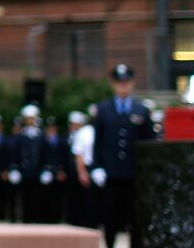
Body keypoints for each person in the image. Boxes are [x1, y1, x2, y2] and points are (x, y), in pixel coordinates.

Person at [92, 64, 154, 248]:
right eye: (119, 83)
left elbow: (148, 143)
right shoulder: (103, 110)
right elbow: (99, 142)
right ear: (114, 85)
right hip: (110, 173)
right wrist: (97, 166)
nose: (123, 87)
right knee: (109, 216)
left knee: (134, 218)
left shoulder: (142, 110)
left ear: (132, 84)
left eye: (126, 83)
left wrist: (146, 171)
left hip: (133, 174)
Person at [13, 104, 43, 223]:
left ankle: (37, 218)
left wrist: (47, 169)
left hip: (38, 171)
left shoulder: (41, 135)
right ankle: (25, 219)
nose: (30, 120)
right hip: (24, 171)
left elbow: (45, 153)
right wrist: (14, 168)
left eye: (32, 118)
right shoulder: (20, 136)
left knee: (37, 197)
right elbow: (16, 153)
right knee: (25, 197)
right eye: (28, 118)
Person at [39, 116, 67, 223]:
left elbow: (64, 157)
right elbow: (40, 157)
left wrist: (62, 170)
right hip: (46, 171)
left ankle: (57, 218)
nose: (51, 129)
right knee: (45, 196)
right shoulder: (43, 140)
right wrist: (42, 170)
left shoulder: (61, 140)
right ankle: (45, 218)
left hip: (58, 171)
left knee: (58, 197)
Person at [65, 111, 88, 227]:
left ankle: (81, 219)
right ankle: (70, 218)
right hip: (69, 171)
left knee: (82, 197)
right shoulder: (67, 137)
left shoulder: (84, 134)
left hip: (81, 170)